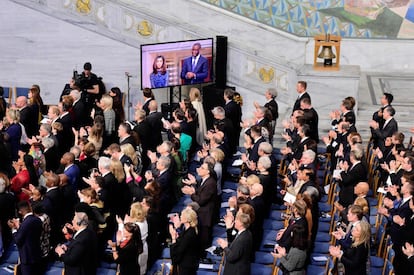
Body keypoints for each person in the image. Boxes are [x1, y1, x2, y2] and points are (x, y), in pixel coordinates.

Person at [8, 200, 43, 275]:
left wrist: (13, 229)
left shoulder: (25, 223)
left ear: (20, 212)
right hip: (37, 255)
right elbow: (29, 234)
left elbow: (18, 240)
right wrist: (19, 227)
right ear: (30, 208)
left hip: (27, 258)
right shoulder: (38, 220)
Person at [169, 207, 200, 275]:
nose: (180, 216)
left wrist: (174, 239)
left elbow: (176, 255)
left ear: (187, 219)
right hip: (188, 264)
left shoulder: (189, 234)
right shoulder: (188, 230)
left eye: (182, 215)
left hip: (185, 268)